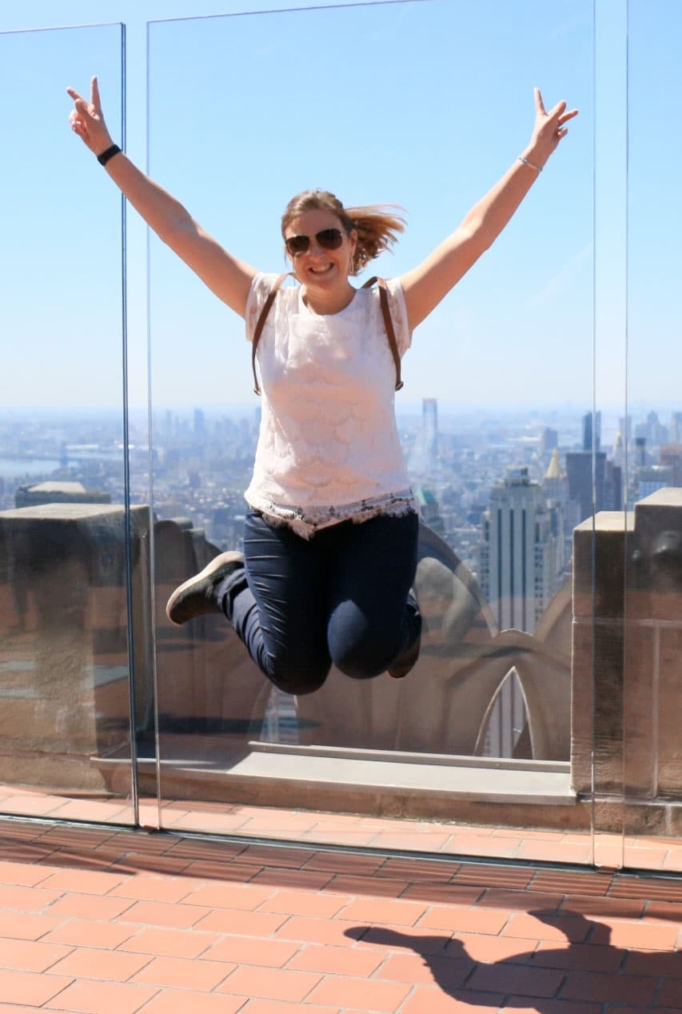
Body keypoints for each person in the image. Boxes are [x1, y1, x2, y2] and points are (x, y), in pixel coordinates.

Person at [67, 77, 577, 697]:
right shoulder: (264, 306)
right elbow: (180, 229)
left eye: (328, 237)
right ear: (288, 254)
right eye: (299, 242)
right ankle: (229, 582)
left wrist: (534, 154)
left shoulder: (388, 311)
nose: (316, 252)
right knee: (296, 672)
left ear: (352, 243)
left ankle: (397, 617)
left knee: (361, 655)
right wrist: (107, 151)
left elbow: (473, 235)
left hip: (376, 516)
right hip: (280, 516)